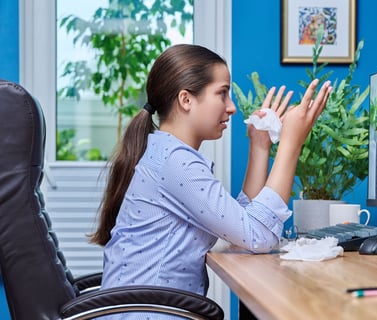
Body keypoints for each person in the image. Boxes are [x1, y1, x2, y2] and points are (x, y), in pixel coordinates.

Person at [90, 43, 332, 317]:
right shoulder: (175, 162)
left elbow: (241, 228)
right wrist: (291, 145)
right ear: (186, 100)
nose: (231, 108)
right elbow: (258, 236)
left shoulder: (168, 153)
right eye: (222, 93)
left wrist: (260, 145)